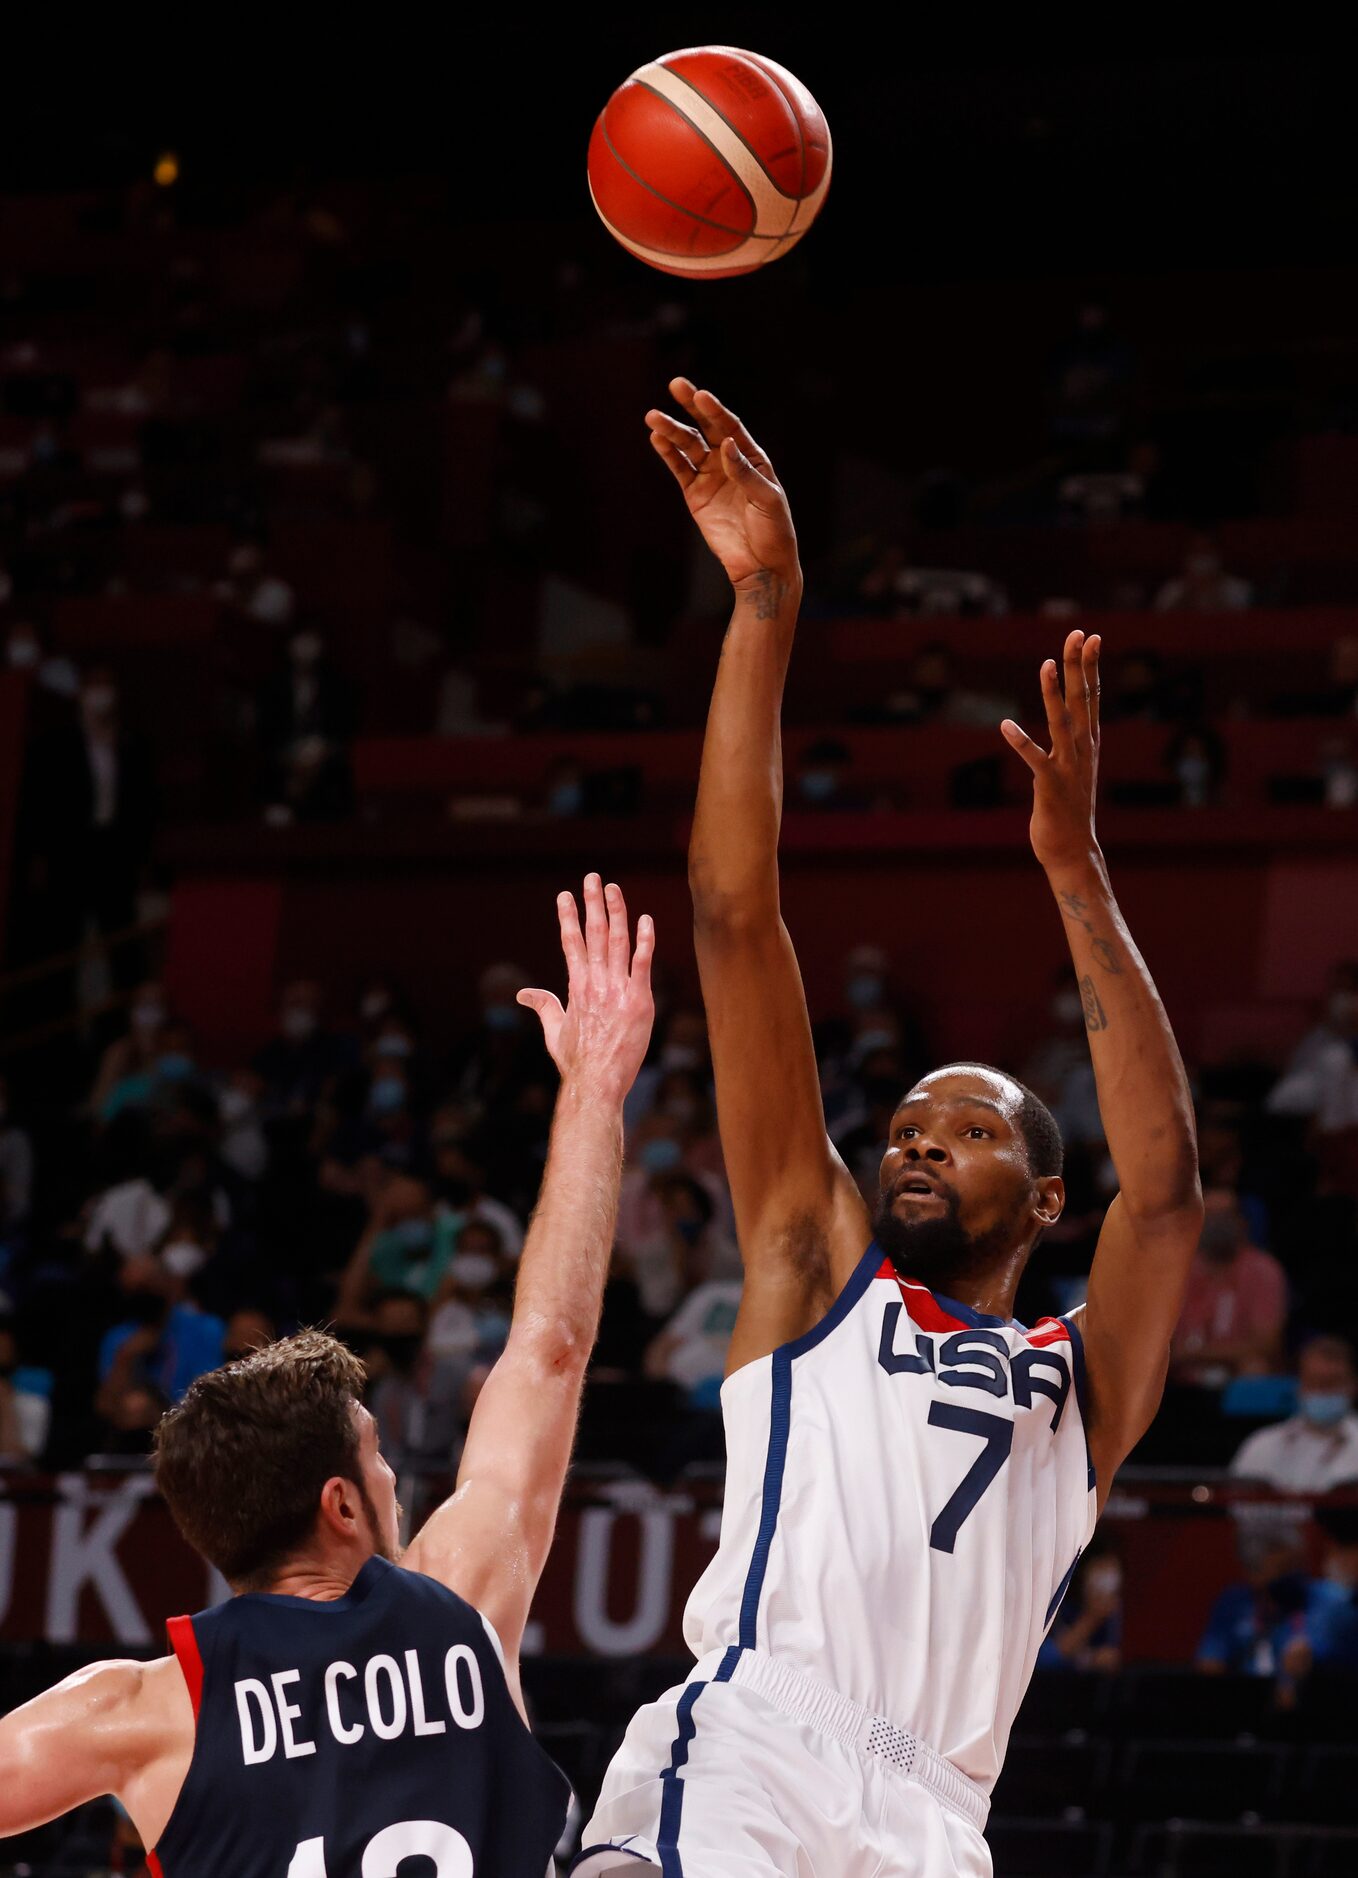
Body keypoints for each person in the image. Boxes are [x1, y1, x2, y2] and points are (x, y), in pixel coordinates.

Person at [577, 383, 1204, 1878]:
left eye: (967, 1129)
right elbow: (734, 917)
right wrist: (768, 601)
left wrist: (1076, 869)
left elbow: (1167, 1195)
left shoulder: (1080, 1388)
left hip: (938, 1819)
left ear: (1045, 1196)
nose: (914, 1142)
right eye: (909, 1123)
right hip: (754, 1749)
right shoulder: (817, 1268)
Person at [0, 873, 655, 1877]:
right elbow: (549, 1345)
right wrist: (595, 1091)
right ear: (342, 1502)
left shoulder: (137, 1709)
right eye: (379, 1456)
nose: (397, 1481)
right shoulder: (462, 1601)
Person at [1172, 1188, 1288, 1385]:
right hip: (1180, 1374)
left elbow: (1266, 1344)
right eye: (1211, 1215)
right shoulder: (1175, 1270)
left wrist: (1196, 1354)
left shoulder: (1263, 1270)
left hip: (1235, 1373)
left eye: (1225, 1215)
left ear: (1242, 1222)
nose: (1217, 1224)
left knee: (1255, 1367)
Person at [1229, 1336, 1358, 1493]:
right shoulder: (1261, 1444)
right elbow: (1238, 1505)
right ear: (1299, 1387)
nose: (1323, 1391)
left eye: (1331, 1383)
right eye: (1314, 1382)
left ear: (1352, 1386)